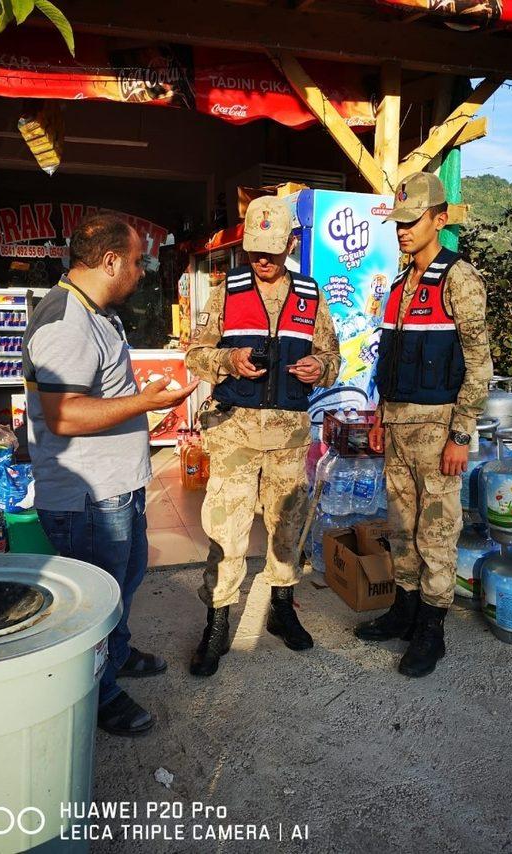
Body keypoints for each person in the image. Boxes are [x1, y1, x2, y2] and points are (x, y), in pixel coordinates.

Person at [23, 213, 198, 736]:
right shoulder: (65, 322)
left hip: (116, 491)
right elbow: (64, 415)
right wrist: (144, 401)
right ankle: (99, 695)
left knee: (123, 585)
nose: (143, 271)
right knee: (95, 604)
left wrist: (141, 398)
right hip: (89, 499)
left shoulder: (96, 313)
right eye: (139, 261)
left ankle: (115, 656)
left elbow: (96, 393)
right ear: (110, 261)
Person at [185, 196, 340, 677]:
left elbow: (332, 360)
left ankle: (282, 609)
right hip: (233, 433)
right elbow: (194, 353)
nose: (263, 260)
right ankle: (217, 622)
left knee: (286, 528)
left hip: (290, 436)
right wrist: (227, 361)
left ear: (291, 243)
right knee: (226, 533)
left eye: (272, 250)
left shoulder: (311, 296)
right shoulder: (226, 291)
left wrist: (321, 368)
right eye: (255, 250)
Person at [355, 172, 493, 678]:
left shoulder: (459, 279)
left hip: (438, 433)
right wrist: (379, 418)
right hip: (396, 428)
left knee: (436, 532)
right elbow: (386, 361)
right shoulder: (398, 283)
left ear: (439, 219)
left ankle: (432, 628)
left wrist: (461, 434)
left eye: (414, 221)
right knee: (401, 528)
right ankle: (405, 610)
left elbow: (479, 363)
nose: (403, 229)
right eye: (399, 222)